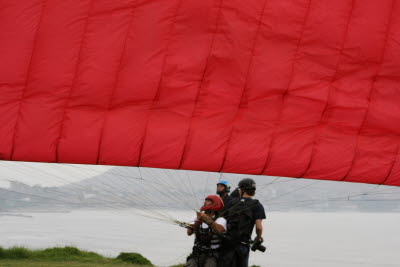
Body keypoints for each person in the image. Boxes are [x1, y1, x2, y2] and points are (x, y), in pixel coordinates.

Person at [218, 178, 266, 267]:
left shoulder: (232, 202)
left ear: (242, 190)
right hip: (243, 245)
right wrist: (258, 238)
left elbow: (222, 221)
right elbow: (259, 227)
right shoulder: (257, 205)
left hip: (228, 244)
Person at [185, 195, 227, 267]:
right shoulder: (197, 217)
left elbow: (219, 229)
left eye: (208, 201)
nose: (205, 202)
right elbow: (189, 232)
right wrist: (198, 221)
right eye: (205, 200)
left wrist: (207, 219)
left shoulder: (220, 219)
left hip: (213, 254)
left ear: (215, 203)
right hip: (197, 252)